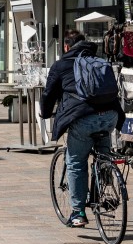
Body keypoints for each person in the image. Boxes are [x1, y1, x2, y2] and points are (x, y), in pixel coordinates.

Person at [39, 31, 125, 228]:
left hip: (83, 119)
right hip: (110, 116)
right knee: (103, 154)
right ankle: (105, 190)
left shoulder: (61, 65)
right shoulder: (99, 61)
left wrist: (45, 114)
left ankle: (78, 213)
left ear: (67, 47)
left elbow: (49, 94)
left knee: (76, 162)